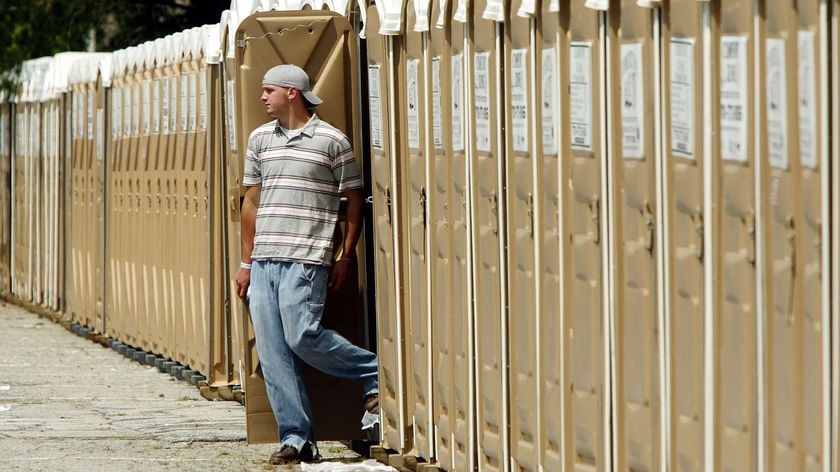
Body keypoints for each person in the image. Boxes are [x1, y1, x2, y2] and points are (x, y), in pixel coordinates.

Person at [234, 64, 379, 466]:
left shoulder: (332, 141)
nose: (262, 98)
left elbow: (354, 198)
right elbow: (251, 202)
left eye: (268, 90)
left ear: (292, 93)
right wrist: (246, 262)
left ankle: (374, 372)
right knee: (274, 352)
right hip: (264, 262)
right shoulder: (260, 139)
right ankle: (297, 439)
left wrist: (345, 256)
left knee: (301, 336)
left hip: (307, 259)